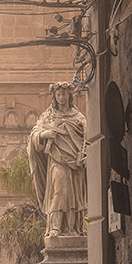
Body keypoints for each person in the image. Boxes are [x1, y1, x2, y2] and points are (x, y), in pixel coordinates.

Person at [27, 81, 88, 235]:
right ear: (54, 96)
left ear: (69, 95)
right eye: (58, 95)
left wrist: (84, 151)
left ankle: (73, 228)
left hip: (75, 161)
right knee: (59, 190)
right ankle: (56, 227)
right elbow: (34, 135)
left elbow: (87, 136)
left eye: (64, 94)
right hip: (57, 159)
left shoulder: (78, 116)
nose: (61, 98)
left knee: (74, 195)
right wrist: (43, 134)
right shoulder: (48, 116)